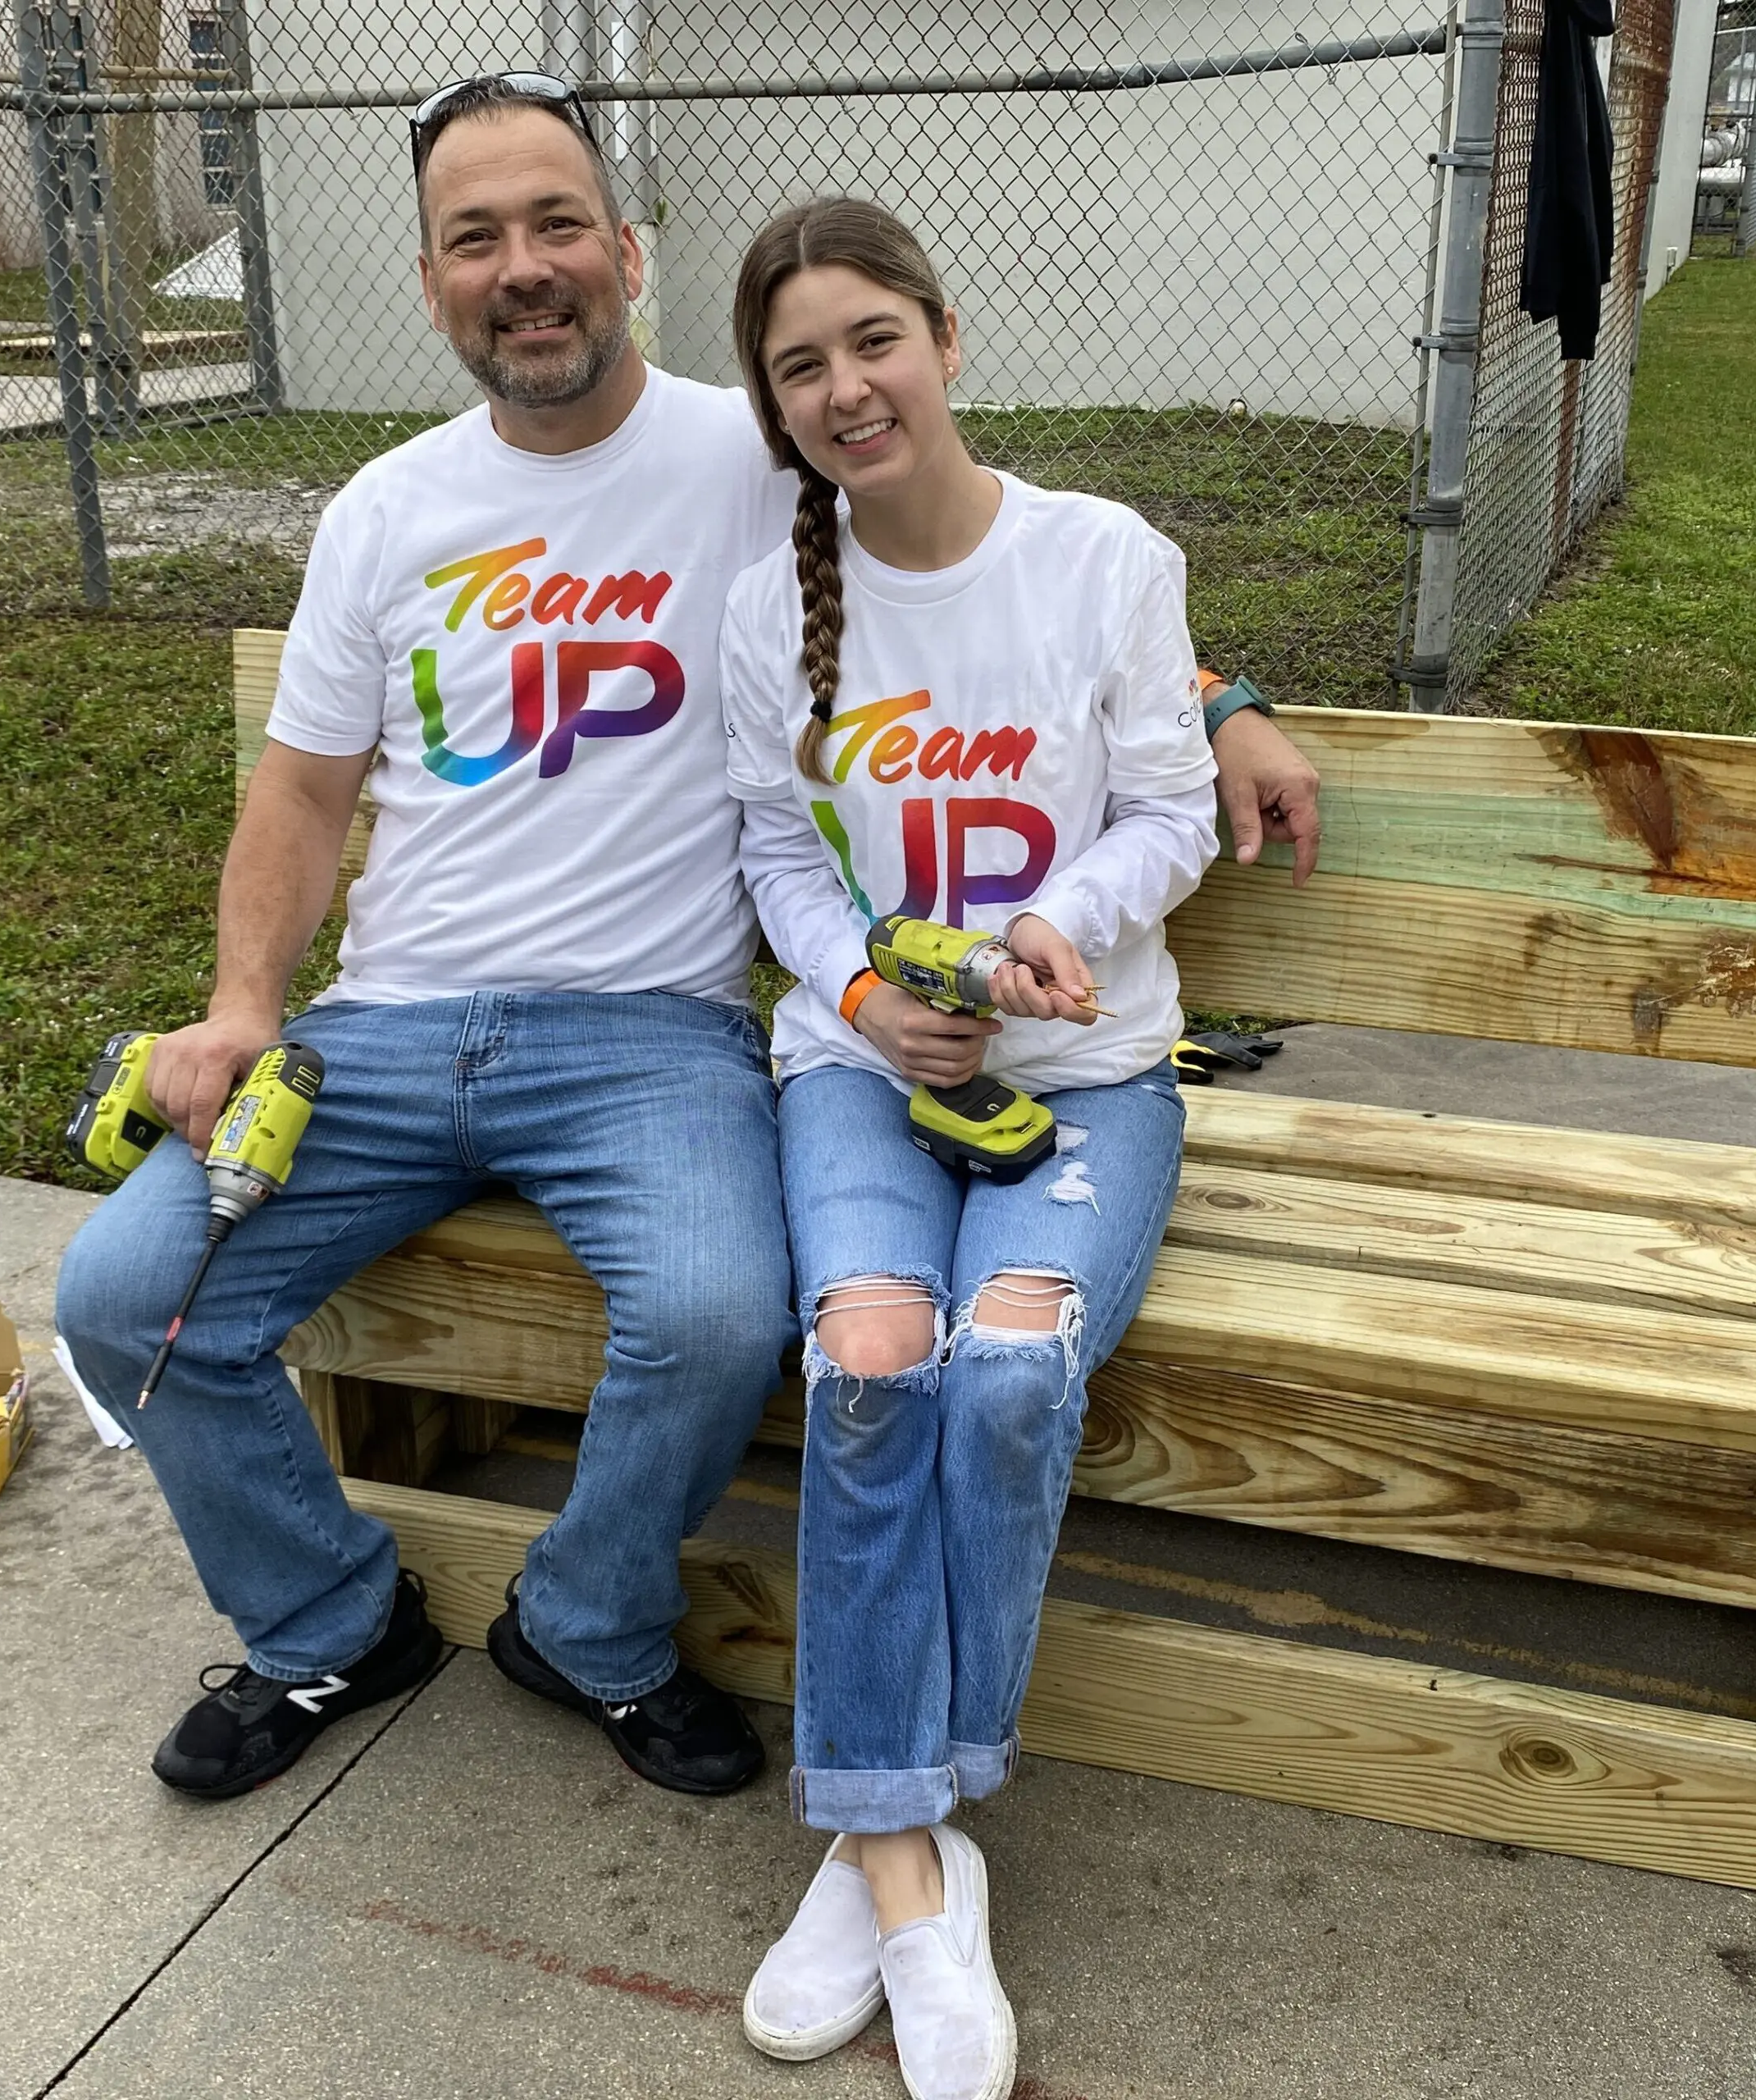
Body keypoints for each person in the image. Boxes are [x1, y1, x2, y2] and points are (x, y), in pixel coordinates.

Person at [51, 77, 1322, 1807]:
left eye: (556, 223)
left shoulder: (764, 440)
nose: (525, 268)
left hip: (647, 1036)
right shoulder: (383, 511)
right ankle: (329, 1617)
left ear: (624, 249)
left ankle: (584, 1619)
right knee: (126, 1296)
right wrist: (238, 1009)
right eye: (476, 237)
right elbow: (296, 796)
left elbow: (988, 569)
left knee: (727, 1311)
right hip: (389, 1030)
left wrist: (1221, 696)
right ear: (430, 277)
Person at [720, 195, 1220, 2100]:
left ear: (942, 336)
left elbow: (1172, 811)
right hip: (858, 1072)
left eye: (871, 341)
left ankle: (881, 1816)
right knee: (868, 1354)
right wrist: (859, 996)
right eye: (798, 366)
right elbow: (775, 851)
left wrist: (1057, 929)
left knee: (1007, 1365)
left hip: (1083, 1073)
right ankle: (915, 1872)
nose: (844, 388)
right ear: (773, 405)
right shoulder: (778, 600)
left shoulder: (1102, 559)